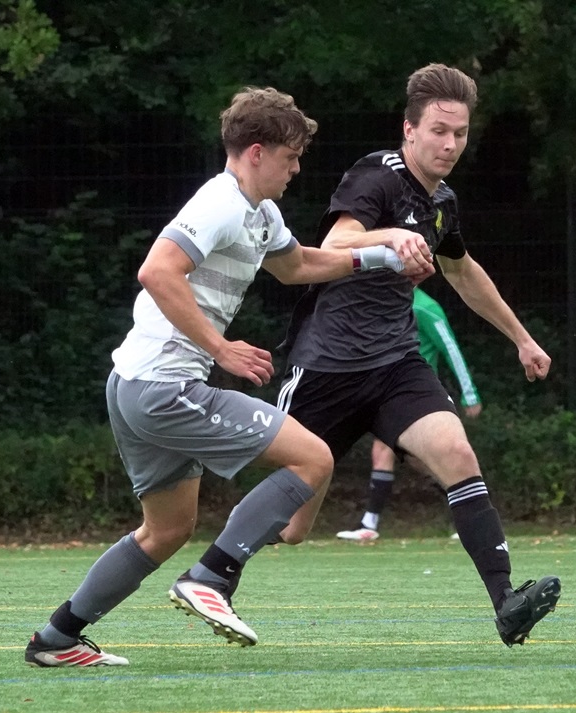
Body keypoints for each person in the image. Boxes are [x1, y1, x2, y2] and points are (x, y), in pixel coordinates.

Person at [24, 86, 425, 667]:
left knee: (166, 531)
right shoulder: (221, 203)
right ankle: (212, 577)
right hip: (164, 388)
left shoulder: (260, 213)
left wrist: (380, 255)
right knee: (313, 459)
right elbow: (157, 270)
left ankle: (56, 639)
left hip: (134, 386)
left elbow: (299, 266)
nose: (296, 169)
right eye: (290, 157)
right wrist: (220, 349)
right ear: (257, 152)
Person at [270, 62, 561, 648]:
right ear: (409, 130)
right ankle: (212, 575)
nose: (450, 144)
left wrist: (522, 338)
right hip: (327, 367)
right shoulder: (376, 175)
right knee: (293, 526)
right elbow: (336, 242)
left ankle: (507, 602)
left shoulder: (442, 202)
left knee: (455, 451)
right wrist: (391, 235)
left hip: (395, 366)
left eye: (460, 133)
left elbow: (464, 272)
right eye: (439, 131)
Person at [337, 286, 482, 542]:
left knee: (425, 460)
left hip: (419, 396)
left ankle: (475, 512)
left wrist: (470, 394)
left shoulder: (424, 307)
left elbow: (451, 348)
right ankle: (369, 524)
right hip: (389, 394)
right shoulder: (384, 301)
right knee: (390, 453)